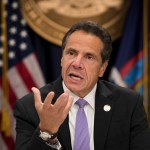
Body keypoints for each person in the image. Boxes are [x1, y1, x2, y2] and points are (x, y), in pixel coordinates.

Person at [14, 21, 150, 150]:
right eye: (71, 53)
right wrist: (47, 131)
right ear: (62, 59)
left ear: (102, 68)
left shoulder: (128, 104)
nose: (76, 63)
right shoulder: (29, 107)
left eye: (89, 57)